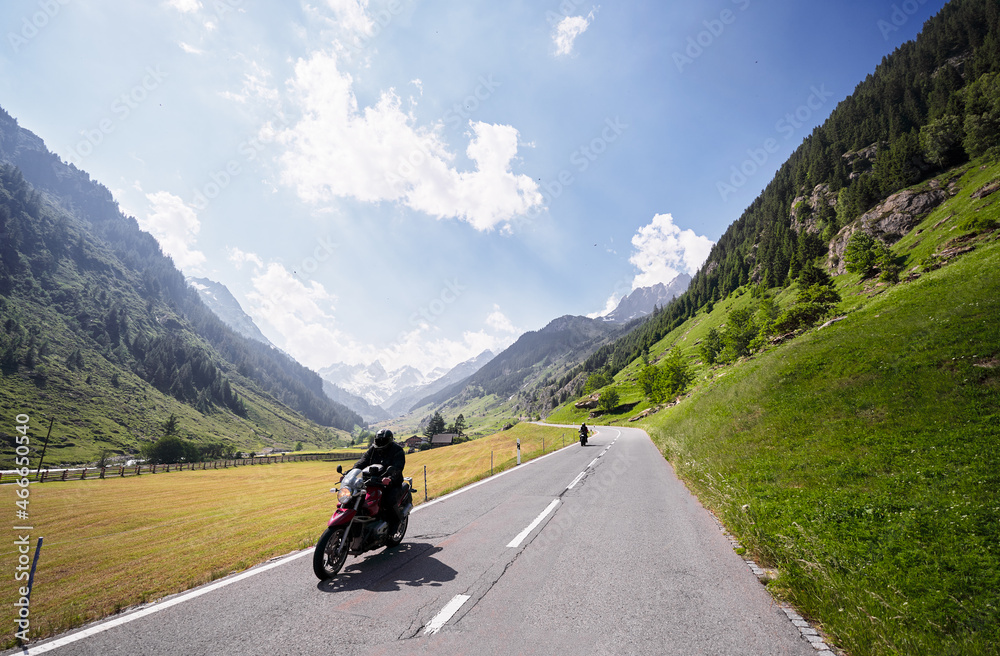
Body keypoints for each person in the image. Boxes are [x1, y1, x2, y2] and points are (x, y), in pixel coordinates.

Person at [352, 428, 406, 532]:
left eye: (383, 441)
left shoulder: (397, 450)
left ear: (389, 441)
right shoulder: (373, 450)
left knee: (389, 501)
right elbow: (362, 462)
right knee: (356, 498)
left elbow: (398, 467)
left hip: (391, 483)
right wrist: (351, 472)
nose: (380, 443)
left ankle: (395, 525)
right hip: (372, 481)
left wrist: (390, 478)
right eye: (378, 440)